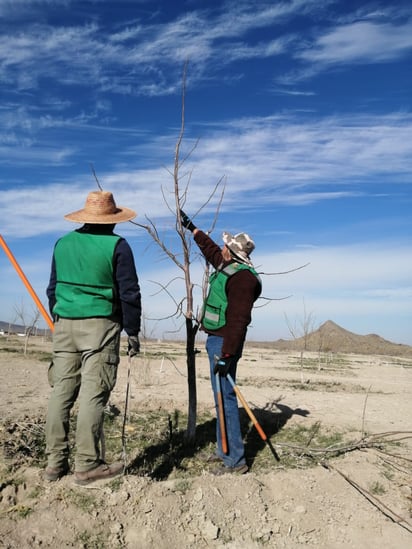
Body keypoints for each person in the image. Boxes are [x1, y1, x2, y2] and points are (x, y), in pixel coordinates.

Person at [45, 190, 142, 485]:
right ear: (112, 220)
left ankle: (54, 464)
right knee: (93, 393)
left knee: (61, 392)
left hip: (64, 325)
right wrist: (133, 331)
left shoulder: (62, 243)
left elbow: (52, 289)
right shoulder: (118, 246)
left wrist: (62, 318)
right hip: (101, 326)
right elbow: (129, 292)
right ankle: (86, 465)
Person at [180, 210, 262, 474]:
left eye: (226, 247)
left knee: (225, 398)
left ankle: (235, 461)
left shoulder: (243, 280)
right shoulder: (230, 266)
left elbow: (239, 321)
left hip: (224, 344)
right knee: (219, 397)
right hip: (218, 342)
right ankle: (224, 450)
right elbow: (210, 250)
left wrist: (227, 356)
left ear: (234, 253)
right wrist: (192, 228)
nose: (222, 250)